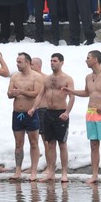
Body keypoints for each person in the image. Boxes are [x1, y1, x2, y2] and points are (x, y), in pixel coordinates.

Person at [63, 50, 101, 185]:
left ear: (95, 59)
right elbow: (87, 92)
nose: (86, 60)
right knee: (93, 144)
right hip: (91, 112)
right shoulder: (88, 77)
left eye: (88, 58)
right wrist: (71, 91)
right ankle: (95, 174)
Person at [32, 52, 75, 182]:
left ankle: (64, 173)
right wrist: (34, 108)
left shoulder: (67, 79)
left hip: (61, 112)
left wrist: (67, 112)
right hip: (48, 112)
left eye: (55, 61)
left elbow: (72, 97)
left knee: (62, 143)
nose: (52, 63)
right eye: (51, 61)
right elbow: (40, 94)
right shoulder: (46, 79)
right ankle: (51, 171)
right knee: (50, 143)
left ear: (61, 62)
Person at [8, 52, 43, 181]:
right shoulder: (15, 77)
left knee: (33, 142)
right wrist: (12, 93)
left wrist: (21, 91)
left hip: (31, 113)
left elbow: (37, 93)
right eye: (17, 62)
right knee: (18, 143)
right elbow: (9, 93)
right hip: (17, 113)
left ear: (27, 63)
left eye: (19, 62)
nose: (17, 64)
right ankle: (18, 170)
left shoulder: (36, 77)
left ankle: (34, 171)